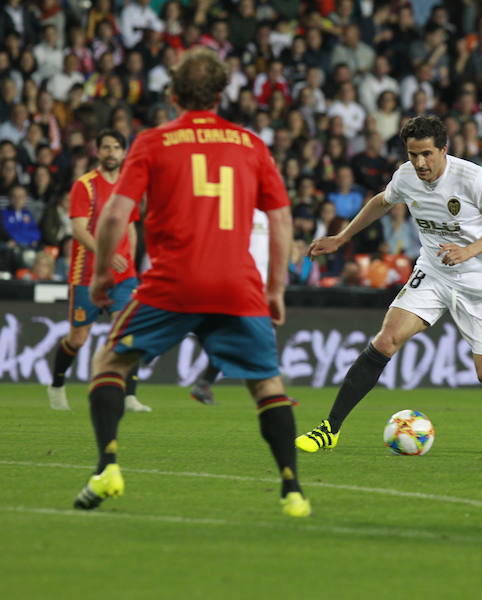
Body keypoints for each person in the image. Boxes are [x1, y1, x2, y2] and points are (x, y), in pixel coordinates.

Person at [71, 49, 309, 518]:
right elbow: (281, 220)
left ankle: (108, 467)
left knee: (109, 361)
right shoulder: (250, 144)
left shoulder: (153, 141)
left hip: (172, 283)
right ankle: (293, 490)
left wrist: (101, 276)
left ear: (174, 93)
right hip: (237, 285)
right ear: (220, 94)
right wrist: (276, 288)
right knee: (266, 385)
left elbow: (117, 213)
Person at [295, 115, 482, 453]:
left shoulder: (474, 180)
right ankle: (329, 429)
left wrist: (468, 251)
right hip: (434, 273)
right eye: (412, 154)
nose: (419, 163)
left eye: (426, 155)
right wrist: (342, 237)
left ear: (443, 150)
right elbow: (381, 201)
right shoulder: (406, 176)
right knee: (385, 340)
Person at [47, 130, 151, 413]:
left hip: (123, 275)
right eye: (106, 147)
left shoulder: (130, 186)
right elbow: (78, 230)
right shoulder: (85, 186)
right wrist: (107, 255)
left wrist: (129, 261)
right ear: (98, 151)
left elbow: (131, 227)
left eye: (117, 148)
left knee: (127, 331)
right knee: (77, 339)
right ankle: (56, 385)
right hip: (88, 274)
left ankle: (129, 395)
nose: (111, 153)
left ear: (123, 152)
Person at [188, 208, 269, 406]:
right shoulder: (233, 211)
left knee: (243, 339)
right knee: (251, 337)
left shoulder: (264, 217)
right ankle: (269, 391)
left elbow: (266, 252)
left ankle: (204, 383)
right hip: (240, 283)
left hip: (260, 286)